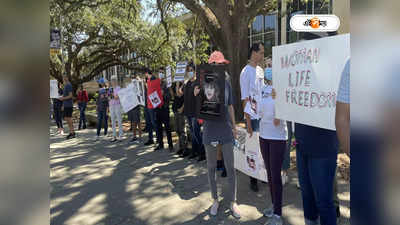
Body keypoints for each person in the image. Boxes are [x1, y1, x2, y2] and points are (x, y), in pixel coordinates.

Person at [294, 32, 338, 225]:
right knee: (307, 197)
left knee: (324, 201)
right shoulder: (297, 77)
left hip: (323, 146)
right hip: (303, 144)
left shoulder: (334, 73)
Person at [194, 51, 241, 218]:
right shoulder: (203, 84)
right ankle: (215, 199)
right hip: (210, 131)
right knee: (211, 168)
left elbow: (230, 106)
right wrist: (197, 96)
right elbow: (198, 109)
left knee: (230, 167)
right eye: (219, 64)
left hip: (226, 130)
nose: (222, 66)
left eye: (223, 64)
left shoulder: (226, 83)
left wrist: (234, 128)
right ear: (212, 65)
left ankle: (233, 201)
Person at [259, 67, 288, 225]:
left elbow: (289, 109)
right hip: (264, 136)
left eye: (272, 65)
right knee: (269, 174)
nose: (269, 69)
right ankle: (274, 204)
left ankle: (278, 215)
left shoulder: (283, 88)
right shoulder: (263, 89)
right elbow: (258, 108)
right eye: (267, 66)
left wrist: (280, 109)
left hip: (277, 137)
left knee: (276, 175)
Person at [239, 42, 265, 192]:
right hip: (252, 118)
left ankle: (262, 174)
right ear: (253, 53)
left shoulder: (261, 70)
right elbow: (245, 99)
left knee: (262, 147)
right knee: (253, 149)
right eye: (261, 52)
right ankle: (253, 178)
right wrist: (248, 122)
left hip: (263, 116)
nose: (262, 55)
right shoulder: (245, 72)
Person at [179, 63, 206, 161]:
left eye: (191, 70)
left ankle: (202, 152)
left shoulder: (198, 83)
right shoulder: (186, 84)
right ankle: (195, 151)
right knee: (192, 133)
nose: (190, 72)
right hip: (188, 112)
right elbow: (180, 94)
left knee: (197, 133)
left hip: (196, 113)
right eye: (188, 70)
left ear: (195, 71)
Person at [154, 68, 173, 151]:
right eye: (159, 72)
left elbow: (170, 97)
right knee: (158, 128)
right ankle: (160, 144)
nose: (161, 74)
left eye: (162, 72)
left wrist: (163, 94)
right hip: (158, 108)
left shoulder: (167, 84)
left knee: (167, 127)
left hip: (165, 108)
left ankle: (170, 145)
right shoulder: (156, 84)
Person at [144, 70, 158, 146]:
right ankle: (150, 138)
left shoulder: (153, 79)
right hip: (147, 104)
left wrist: (147, 85)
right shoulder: (147, 80)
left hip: (152, 104)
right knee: (148, 122)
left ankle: (158, 139)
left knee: (154, 122)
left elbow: (154, 90)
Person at [58, 75, 75, 139]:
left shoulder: (68, 85)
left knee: (69, 119)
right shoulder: (65, 85)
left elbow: (70, 96)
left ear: (67, 78)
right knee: (67, 119)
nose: (64, 78)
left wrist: (63, 98)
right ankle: (71, 132)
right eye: (63, 77)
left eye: (65, 77)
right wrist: (63, 105)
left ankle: (72, 133)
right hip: (66, 105)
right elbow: (65, 95)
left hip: (69, 105)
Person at [172, 81, 187, 155]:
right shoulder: (174, 84)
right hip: (175, 110)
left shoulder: (184, 84)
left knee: (182, 131)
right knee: (177, 130)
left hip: (181, 111)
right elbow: (173, 95)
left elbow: (179, 94)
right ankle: (181, 147)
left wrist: (182, 108)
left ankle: (185, 149)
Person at [108, 75, 123, 142]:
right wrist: (110, 96)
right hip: (111, 105)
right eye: (112, 80)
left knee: (119, 120)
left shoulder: (118, 88)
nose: (113, 81)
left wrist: (112, 96)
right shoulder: (110, 89)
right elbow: (108, 97)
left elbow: (117, 97)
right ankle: (114, 136)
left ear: (116, 81)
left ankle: (120, 135)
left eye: (114, 80)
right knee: (113, 121)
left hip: (117, 105)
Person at [129, 75, 142, 142]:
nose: (132, 79)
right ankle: (134, 136)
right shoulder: (130, 86)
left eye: (133, 78)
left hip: (136, 106)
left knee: (138, 122)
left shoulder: (138, 86)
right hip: (131, 106)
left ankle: (139, 136)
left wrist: (138, 79)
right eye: (131, 78)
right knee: (133, 122)